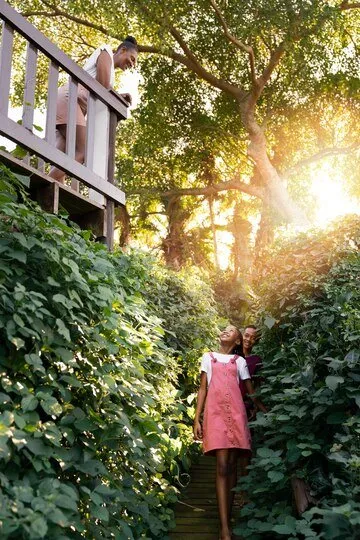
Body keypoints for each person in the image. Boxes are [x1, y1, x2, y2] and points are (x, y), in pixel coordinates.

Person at [193, 325, 266, 540]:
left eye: (231, 330)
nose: (225, 331)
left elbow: (251, 393)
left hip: (236, 416)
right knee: (222, 466)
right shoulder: (208, 357)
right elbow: (203, 388)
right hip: (215, 416)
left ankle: (229, 516)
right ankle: (224, 527)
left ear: (237, 341)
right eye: (223, 329)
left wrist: (263, 409)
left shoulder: (240, 362)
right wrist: (197, 418)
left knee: (232, 466)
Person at [49, 36, 138, 183]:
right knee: (83, 151)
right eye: (132, 59)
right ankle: (41, 184)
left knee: (63, 156)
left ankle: (46, 191)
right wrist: (117, 97)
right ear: (123, 50)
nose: (132, 64)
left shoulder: (111, 71)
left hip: (73, 105)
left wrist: (119, 96)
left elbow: (103, 87)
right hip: (70, 99)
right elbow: (102, 86)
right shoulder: (106, 52)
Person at [240, 325, 263, 420]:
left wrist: (256, 408)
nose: (248, 340)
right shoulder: (231, 355)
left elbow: (257, 386)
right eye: (246, 335)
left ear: (256, 341)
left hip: (245, 407)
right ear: (241, 336)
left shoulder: (256, 360)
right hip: (226, 403)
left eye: (253, 338)